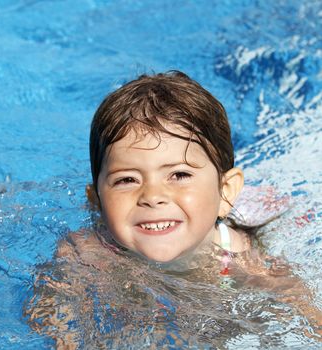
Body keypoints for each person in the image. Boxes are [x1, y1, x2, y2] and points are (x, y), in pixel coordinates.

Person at [25, 71, 321, 348]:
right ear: (97, 202)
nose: (153, 196)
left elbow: (306, 317)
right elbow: (51, 320)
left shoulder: (244, 260)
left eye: (179, 175)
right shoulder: (87, 252)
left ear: (224, 193)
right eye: (127, 179)